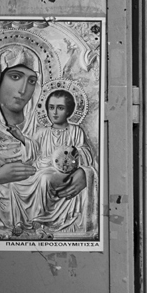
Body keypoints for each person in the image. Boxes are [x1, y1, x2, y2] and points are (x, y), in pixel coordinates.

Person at [0, 43, 89, 237]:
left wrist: (85, 174)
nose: (23, 89)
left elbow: (71, 157)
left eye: (31, 81)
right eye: (15, 77)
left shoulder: (44, 130)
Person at [24, 88, 98, 233]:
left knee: (45, 178)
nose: (55, 112)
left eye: (60, 108)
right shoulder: (42, 132)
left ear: (69, 111)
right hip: (42, 168)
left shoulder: (75, 131)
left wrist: (73, 153)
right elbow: (32, 152)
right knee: (35, 178)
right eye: (51, 108)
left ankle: (40, 218)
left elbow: (84, 152)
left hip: (65, 172)